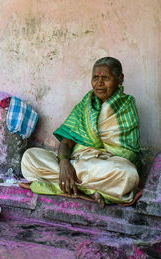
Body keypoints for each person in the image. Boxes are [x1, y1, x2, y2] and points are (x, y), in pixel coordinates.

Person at [20, 57, 141, 207]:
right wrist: (64, 164)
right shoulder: (86, 104)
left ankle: (70, 184)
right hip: (75, 161)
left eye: (106, 78)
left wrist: (82, 167)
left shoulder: (127, 105)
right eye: (95, 77)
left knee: (128, 174)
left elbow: (128, 153)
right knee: (29, 157)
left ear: (120, 79)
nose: (99, 83)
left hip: (103, 165)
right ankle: (90, 189)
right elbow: (66, 142)